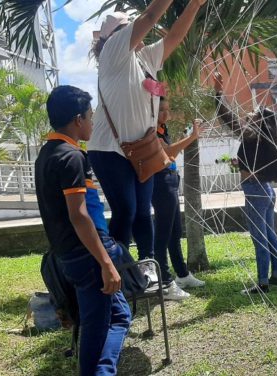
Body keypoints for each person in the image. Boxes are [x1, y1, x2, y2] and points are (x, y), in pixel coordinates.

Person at [87, 0, 206, 282]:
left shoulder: (145, 59)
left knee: (142, 211)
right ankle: (115, 270)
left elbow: (175, 36)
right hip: (109, 149)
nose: (137, 32)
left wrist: (194, 6)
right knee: (126, 209)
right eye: (128, 27)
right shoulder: (114, 52)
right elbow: (151, 15)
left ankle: (149, 272)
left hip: (140, 149)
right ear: (114, 35)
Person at [35, 85, 130, 375]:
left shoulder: (46, 154)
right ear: (77, 119)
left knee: (120, 315)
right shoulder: (72, 157)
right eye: (90, 116)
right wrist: (105, 263)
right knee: (96, 327)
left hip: (67, 254)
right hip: (86, 257)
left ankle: (101, 370)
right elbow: (79, 215)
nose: (92, 122)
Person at [213, 73, 277, 295]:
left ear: (258, 121)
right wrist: (237, 163)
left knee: (259, 238)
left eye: (254, 113)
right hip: (266, 190)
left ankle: (262, 283)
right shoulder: (264, 139)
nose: (249, 113)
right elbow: (250, 163)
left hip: (255, 192)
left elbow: (229, 120)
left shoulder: (252, 134)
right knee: (270, 234)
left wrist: (218, 95)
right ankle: (275, 276)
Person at [152, 97, 205, 300]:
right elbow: (168, 152)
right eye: (160, 111)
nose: (165, 114)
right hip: (161, 184)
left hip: (171, 180)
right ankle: (164, 282)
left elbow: (170, 155)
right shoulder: (151, 132)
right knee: (163, 234)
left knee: (174, 232)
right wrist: (193, 136)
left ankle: (182, 274)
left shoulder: (163, 130)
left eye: (167, 109)